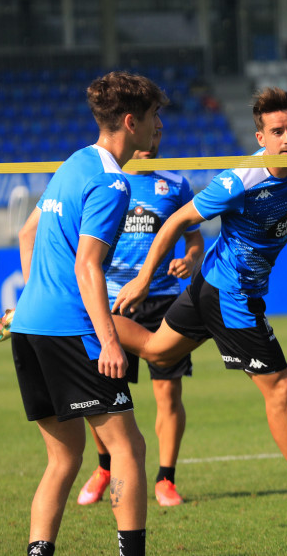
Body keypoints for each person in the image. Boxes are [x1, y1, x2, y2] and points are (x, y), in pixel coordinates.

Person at [109, 86, 287, 537]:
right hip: (230, 295)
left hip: (216, 285)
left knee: (154, 351)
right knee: (281, 389)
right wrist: (144, 279)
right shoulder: (239, 180)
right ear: (261, 137)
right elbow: (176, 221)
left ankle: (73, 317)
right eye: (277, 131)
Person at [6, 71, 167, 556]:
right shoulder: (112, 182)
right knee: (128, 449)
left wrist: (31, 298)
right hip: (73, 332)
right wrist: (110, 341)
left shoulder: (75, 162)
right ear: (130, 121)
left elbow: (26, 234)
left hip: (29, 326)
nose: (159, 126)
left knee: (64, 458)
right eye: (155, 117)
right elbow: (88, 265)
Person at [76, 127, 204, 509]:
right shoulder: (103, 181)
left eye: (161, 132)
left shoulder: (176, 184)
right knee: (102, 395)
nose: (155, 139)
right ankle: (104, 468)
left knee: (168, 393)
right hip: (111, 304)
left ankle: (166, 479)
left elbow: (194, 237)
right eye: (151, 129)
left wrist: (191, 258)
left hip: (163, 302)